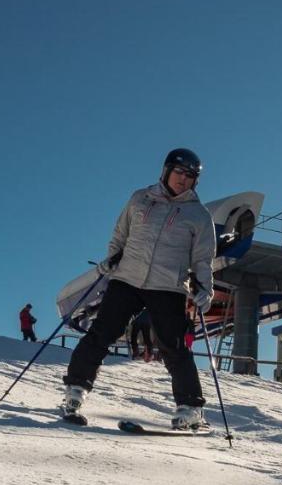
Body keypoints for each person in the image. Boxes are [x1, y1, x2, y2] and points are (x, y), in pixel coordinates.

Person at [61, 147, 216, 429]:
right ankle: (74, 391)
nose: (184, 180)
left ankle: (191, 408)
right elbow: (120, 234)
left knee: (174, 346)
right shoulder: (140, 199)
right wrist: (112, 258)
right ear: (167, 171)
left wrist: (205, 287)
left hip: (168, 286)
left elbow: (203, 258)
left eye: (191, 176)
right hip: (127, 278)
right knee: (101, 333)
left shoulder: (199, 215)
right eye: (180, 173)